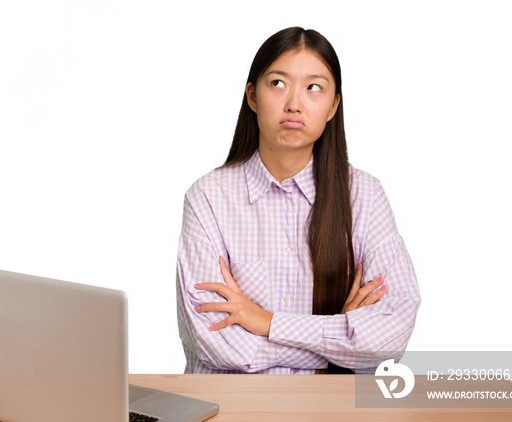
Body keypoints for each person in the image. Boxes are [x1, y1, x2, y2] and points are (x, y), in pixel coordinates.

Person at [176, 27, 421, 374]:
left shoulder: (364, 195)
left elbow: (389, 337)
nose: (294, 103)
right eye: (278, 83)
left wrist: (267, 322)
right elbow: (217, 343)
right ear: (252, 96)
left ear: (333, 105)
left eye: (314, 88)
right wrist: (339, 343)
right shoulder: (208, 198)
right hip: (233, 412)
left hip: (331, 416)